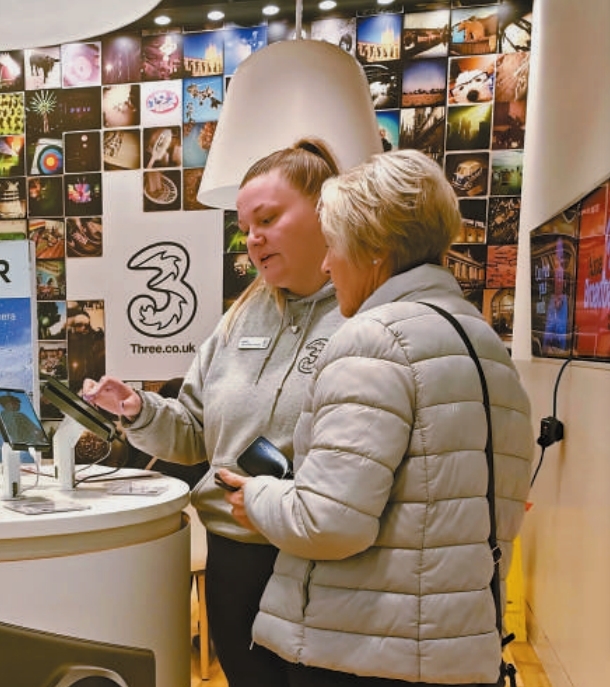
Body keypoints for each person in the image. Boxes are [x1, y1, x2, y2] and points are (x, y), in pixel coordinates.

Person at [218, 148, 535, 687]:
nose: (326, 265)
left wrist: (259, 497)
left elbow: (328, 522)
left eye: (334, 246)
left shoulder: (373, 339)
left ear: (375, 250)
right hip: (456, 648)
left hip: (364, 652)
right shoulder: (482, 342)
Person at [82, 138, 344, 687]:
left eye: (267, 219)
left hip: (323, 566)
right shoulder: (239, 317)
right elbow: (193, 437)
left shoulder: (362, 315)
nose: (253, 238)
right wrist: (138, 409)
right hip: (233, 557)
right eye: (245, 227)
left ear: (327, 210)